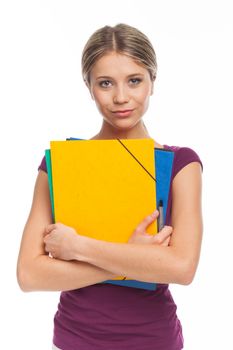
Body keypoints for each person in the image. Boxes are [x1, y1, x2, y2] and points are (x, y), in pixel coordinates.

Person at [17, 23, 203, 350]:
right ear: (88, 86)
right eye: (105, 83)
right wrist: (135, 259)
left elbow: (182, 268)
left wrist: (77, 248)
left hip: (152, 339)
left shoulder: (181, 165)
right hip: (74, 337)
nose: (120, 97)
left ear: (152, 82)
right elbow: (29, 275)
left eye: (134, 81)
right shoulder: (59, 165)